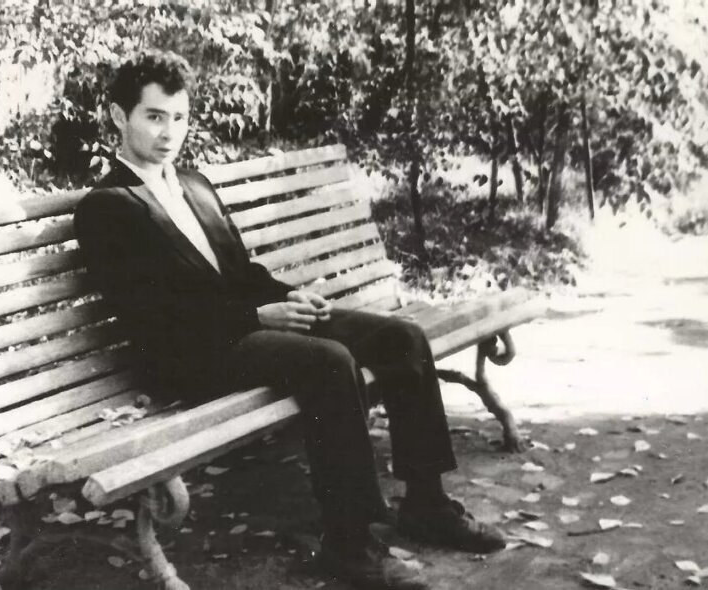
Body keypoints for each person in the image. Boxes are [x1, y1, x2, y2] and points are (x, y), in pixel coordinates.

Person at [74, 50, 506, 590]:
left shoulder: (195, 185)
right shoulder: (107, 207)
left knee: (401, 337)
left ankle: (427, 503)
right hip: (190, 358)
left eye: (179, 117)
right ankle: (349, 543)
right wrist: (256, 316)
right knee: (328, 361)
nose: (169, 133)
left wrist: (291, 298)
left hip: (245, 329)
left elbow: (240, 272)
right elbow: (153, 317)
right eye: (154, 117)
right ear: (119, 116)